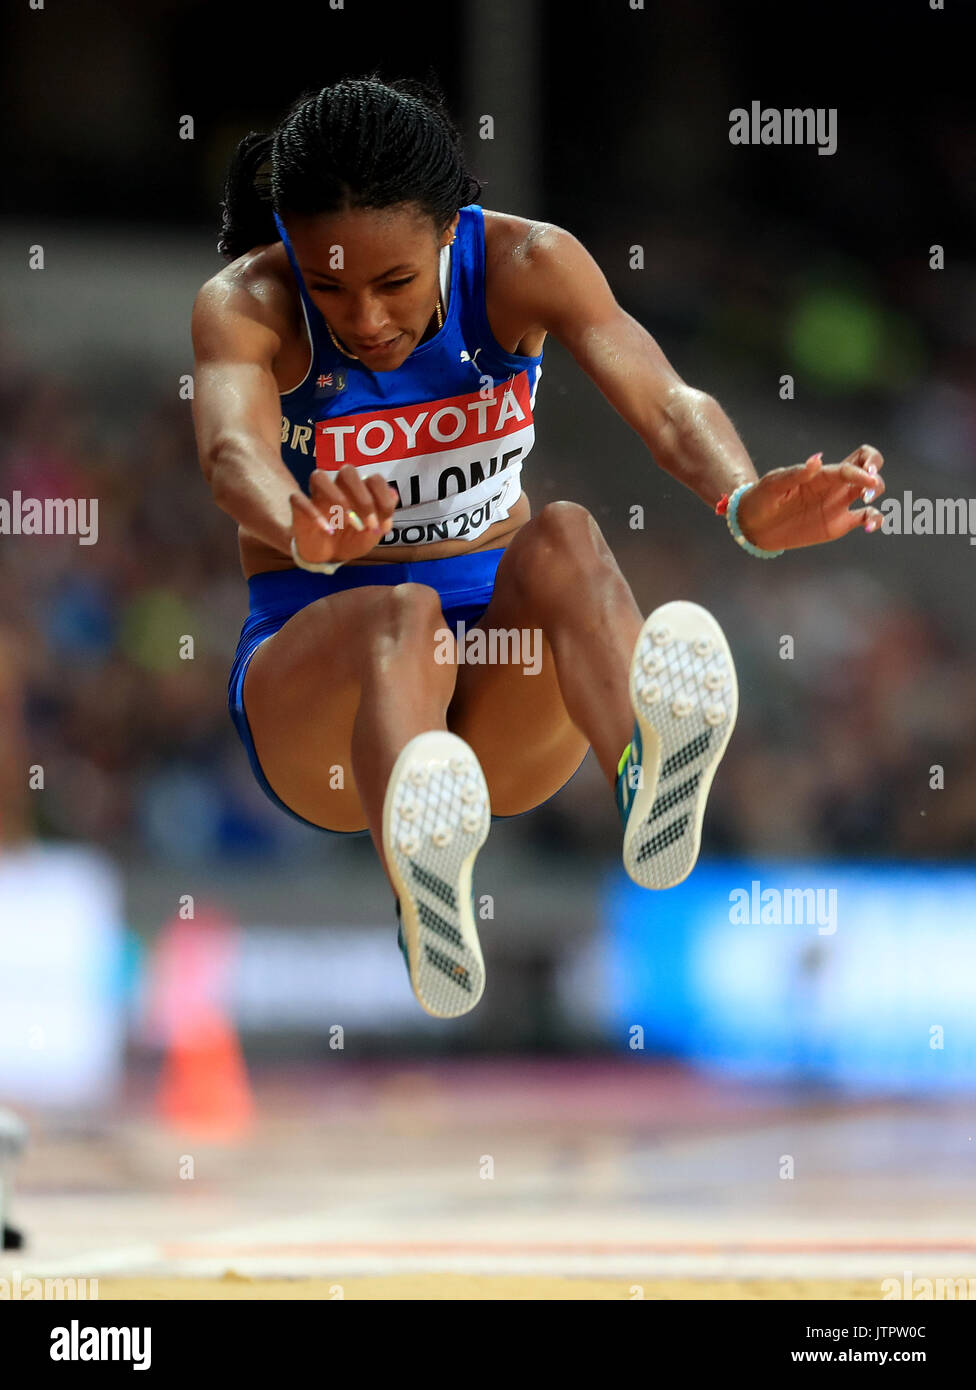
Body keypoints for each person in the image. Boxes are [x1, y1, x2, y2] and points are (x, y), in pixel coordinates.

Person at [191, 76, 885, 1019]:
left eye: (394, 283)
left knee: (566, 533)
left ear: (450, 230)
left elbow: (669, 403)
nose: (364, 320)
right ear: (288, 250)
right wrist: (294, 518)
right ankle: (421, 888)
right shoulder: (247, 304)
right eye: (330, 285)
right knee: (404, 616)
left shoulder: (528, 261)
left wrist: (747, 500)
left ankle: (643, 773)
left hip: (501, 696)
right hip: (323, 713)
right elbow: (232, 451)